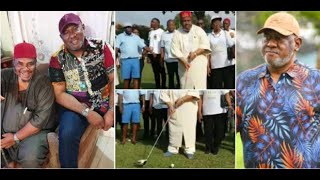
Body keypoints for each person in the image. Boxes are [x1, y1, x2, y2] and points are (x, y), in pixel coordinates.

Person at [236, 12, 320, 168]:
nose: (271, 43)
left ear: (297, 43)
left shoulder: (315, 81)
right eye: (267, 37)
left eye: (279, 38)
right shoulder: (243, 82)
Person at [48, 13, 114, 168]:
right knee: (68, 133)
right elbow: (59, 94)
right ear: (61, 37)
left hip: (104, 100)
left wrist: (111, 109)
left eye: (75, 28)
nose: (73, 35)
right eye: (67, 32)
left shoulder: (101, 47)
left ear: (83, 28)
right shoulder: (57, 58)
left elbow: (113, 80)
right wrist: (87, 113)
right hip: (76, 106)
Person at [1, 42, 56, 168]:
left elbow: (39, 121)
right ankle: (9, 163)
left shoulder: (43, 84)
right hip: (6, 129)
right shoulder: (5, 75)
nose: (25, 69)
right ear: (13, 62)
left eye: (30, 64)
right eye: (20, 63)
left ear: (35, 62)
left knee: (30, 157)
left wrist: (14, 137)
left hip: (35, 132)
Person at [171, 11, 211, 89]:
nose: (186, 23)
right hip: (184, 67)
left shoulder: (199, 30)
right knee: (185, 87)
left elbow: (205, 45)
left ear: (191, 20)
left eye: (188, 20)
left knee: (200, 87)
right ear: (181, 21)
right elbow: (174, 49)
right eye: (184, 21)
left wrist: (195, 53)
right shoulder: (177, 33)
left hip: (199, 66)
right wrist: (183, 61)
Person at [160, 90, 199, 159]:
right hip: (174, 108)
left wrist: (182, 99)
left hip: (189, 108)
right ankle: (172, 148)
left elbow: (194, 94)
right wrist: (170, 105)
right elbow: (163, 93)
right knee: (174, 129)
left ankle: (190, 150)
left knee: (190, 129)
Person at [116, 23, 149, 89]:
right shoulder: (120, 36)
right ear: (124, 28)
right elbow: (116, 48)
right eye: (127, 27)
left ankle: (135, 92)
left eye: (130, 27)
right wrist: (115, 58)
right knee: (127, 79)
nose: (129, 28)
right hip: (125, 60)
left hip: (135, 60)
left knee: (136, 78)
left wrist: (152, 52)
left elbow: (144, 46)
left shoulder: (136, 37)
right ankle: (126, 92)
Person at [198, 90, 231, 155]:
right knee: (208, 132)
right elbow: (200, 98)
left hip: (220, 111)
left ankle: (215, 147)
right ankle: (208, 148)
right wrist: (199, 112)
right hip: (207, 112)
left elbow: (227, 94)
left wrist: (229, 105)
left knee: (219, 132)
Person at [207, 15, 234, 89]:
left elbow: (232, 45)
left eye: (218, 22)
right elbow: (208, 53)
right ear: (212, 25)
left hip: (227, 65)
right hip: (215, 66)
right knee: (216, 87)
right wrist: (208, 66)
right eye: (215, 22)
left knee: (228, 86)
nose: (217, 24)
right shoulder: (209, 36)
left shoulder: (225, 33)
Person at [160, 19, 180, 89]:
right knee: (170, 76)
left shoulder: (179, 33)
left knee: (179, 76)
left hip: (178, 60)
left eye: (172, 25)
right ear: (167, 26)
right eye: (169, 25)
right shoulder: (164, 34)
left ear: (175, 25)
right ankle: (171, 88)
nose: (171, 26)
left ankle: (179, 88)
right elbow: (162, 47)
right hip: (168, 60)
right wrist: (162, 59)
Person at [148, 18, 166, 89]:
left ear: (158, 23)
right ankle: (157, 86)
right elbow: (150, 44)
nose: (151, 23)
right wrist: (150, 54)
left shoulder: (162, 32)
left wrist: (162, 55)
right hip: (152, 54)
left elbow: (163, 44)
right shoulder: (150, 32)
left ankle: (163, 86)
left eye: (153, 22)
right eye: (151, 22)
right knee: (155, 72)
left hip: (159, 54)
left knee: (162, 71)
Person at [223, 18, 236, 89]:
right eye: (224, 23)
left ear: (229, 24)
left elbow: (234, 42)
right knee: (227, 80)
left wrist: (232, 37)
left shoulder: (233, 32)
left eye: (226, 23)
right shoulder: (221, 33)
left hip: (233, 60)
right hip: (225, 61)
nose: (225, 25)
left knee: (233, 78)